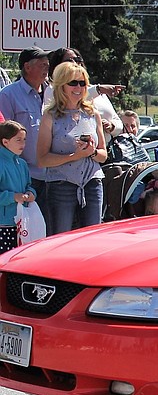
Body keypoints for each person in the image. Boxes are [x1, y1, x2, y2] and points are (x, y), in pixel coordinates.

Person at [38, 62, 107, 235]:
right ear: (62, 85)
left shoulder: (93, 114)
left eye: (82, 83)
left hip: (92, 183)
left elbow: (103, 155)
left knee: (91, 238)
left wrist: (91, 152)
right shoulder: (50, 116)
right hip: (61, 185)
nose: (79, 87)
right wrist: (74, 155)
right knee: (60, 239)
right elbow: (42, 159)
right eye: (73, 83)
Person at [0, 47, 51, 202]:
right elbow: (4, 135)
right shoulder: (8, 95)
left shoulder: (54, 93)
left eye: (47, 64)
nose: (47, 68)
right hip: (26, 177)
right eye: (42, 65)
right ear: (27, 67)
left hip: (57, 176)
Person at [0, 121, 36, 253]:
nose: (23, 144)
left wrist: (31, 193)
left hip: (22, 222)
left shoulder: (22, 164)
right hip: (3, 224)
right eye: (18, 140)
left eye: (24, 140)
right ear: (5, 142)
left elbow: (29, 185)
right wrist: (13, 197)